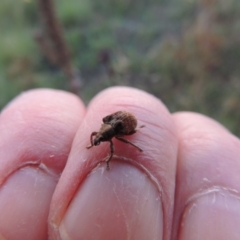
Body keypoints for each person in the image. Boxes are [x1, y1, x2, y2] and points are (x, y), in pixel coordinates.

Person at [0, 87, 239, 240]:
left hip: (126, 122)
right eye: (100, 138)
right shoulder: (103, 130)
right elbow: (100, 134)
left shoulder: (121, 132)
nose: (100, 140)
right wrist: (94, 142)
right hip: (116, 120)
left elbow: (127, 133)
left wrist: (133, 146)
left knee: (122, 148)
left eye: (102, 138)